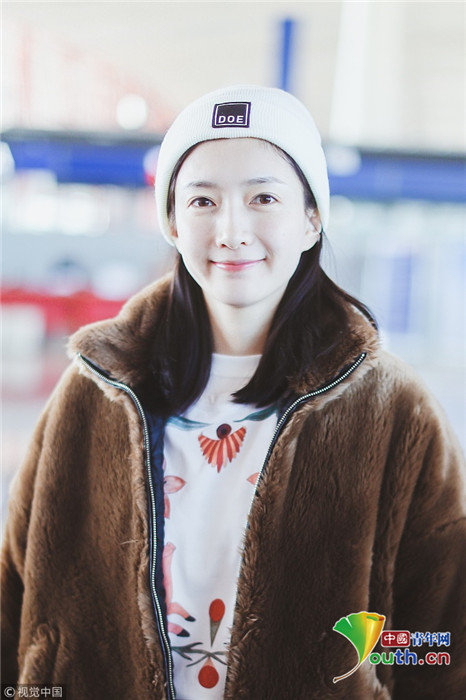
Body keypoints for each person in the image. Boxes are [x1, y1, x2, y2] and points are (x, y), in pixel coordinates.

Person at [1, 85, 465, 700]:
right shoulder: (95, 393)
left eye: (263, 198)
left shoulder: (394, 410)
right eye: (203, 200)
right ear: (173, 222)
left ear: (311, 218)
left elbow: (441, 641)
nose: (231, 230)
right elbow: (16, 597)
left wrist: (349, 662)